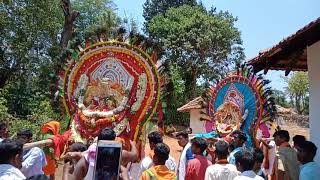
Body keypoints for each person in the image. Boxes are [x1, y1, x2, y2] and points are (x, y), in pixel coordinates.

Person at [64, 127, 137, 180]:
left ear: (98, 141)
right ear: (114, 141)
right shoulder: (122, 155)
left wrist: (65, 171)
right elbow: (134, 156)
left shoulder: (86, 160)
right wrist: (133, 145)